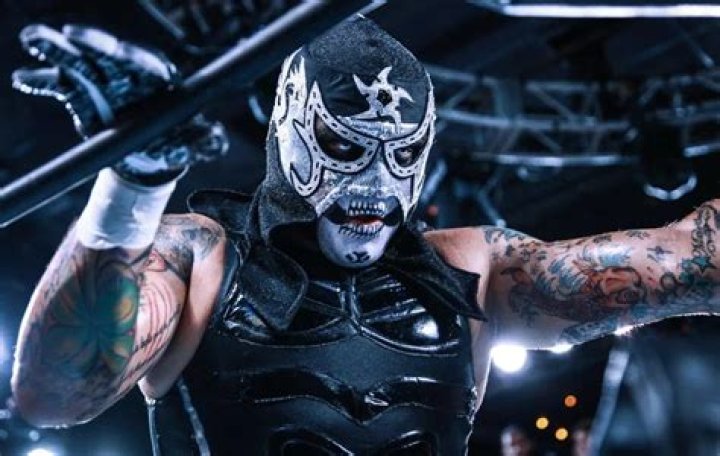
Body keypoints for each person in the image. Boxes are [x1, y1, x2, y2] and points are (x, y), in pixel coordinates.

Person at [8, 15, 720, 455]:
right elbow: (53, 394)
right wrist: (134, 185)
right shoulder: (201, 256)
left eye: (402, 153)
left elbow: (691, 259)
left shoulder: (476, 272)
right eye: (346, 147)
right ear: (292, 134)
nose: (375, 185)